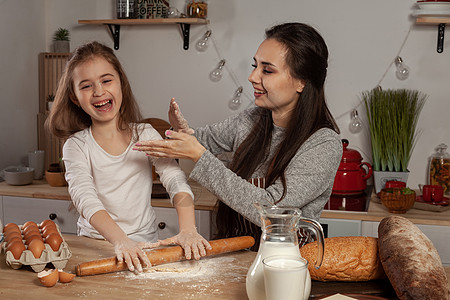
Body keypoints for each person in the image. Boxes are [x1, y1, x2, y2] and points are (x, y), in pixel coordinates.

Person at [133, 22, 343, 249]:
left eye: (267, 70)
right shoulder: (253, 119)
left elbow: (272, 209)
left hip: (284, 265)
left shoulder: (323, 143)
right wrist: (183, 133)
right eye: (255, 66)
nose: (253, 76)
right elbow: (203, 140)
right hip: (232, 253)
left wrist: (198, 155)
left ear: (302, 82)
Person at [45, 41, 211, 272]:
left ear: (121, 82)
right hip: (96, 247)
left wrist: (189, 230)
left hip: (146, 244)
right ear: (74, 97)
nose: (99, 91)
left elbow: (174, 179)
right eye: (86, 86)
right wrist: (121, 240)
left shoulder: (144, 134)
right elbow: (85, 198)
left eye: (106, 80)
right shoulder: (76, 146)